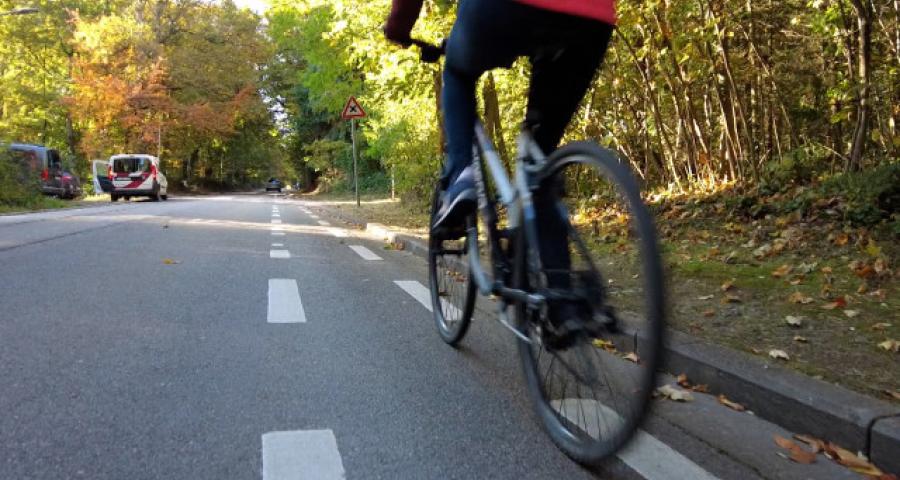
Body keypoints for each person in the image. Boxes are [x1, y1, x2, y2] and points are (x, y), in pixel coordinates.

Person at [384, 0, 616, 345]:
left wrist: (399, 26)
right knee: (540, 158)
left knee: (457, 74)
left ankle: (462, 175)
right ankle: (560, 303)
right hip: (591, 17)